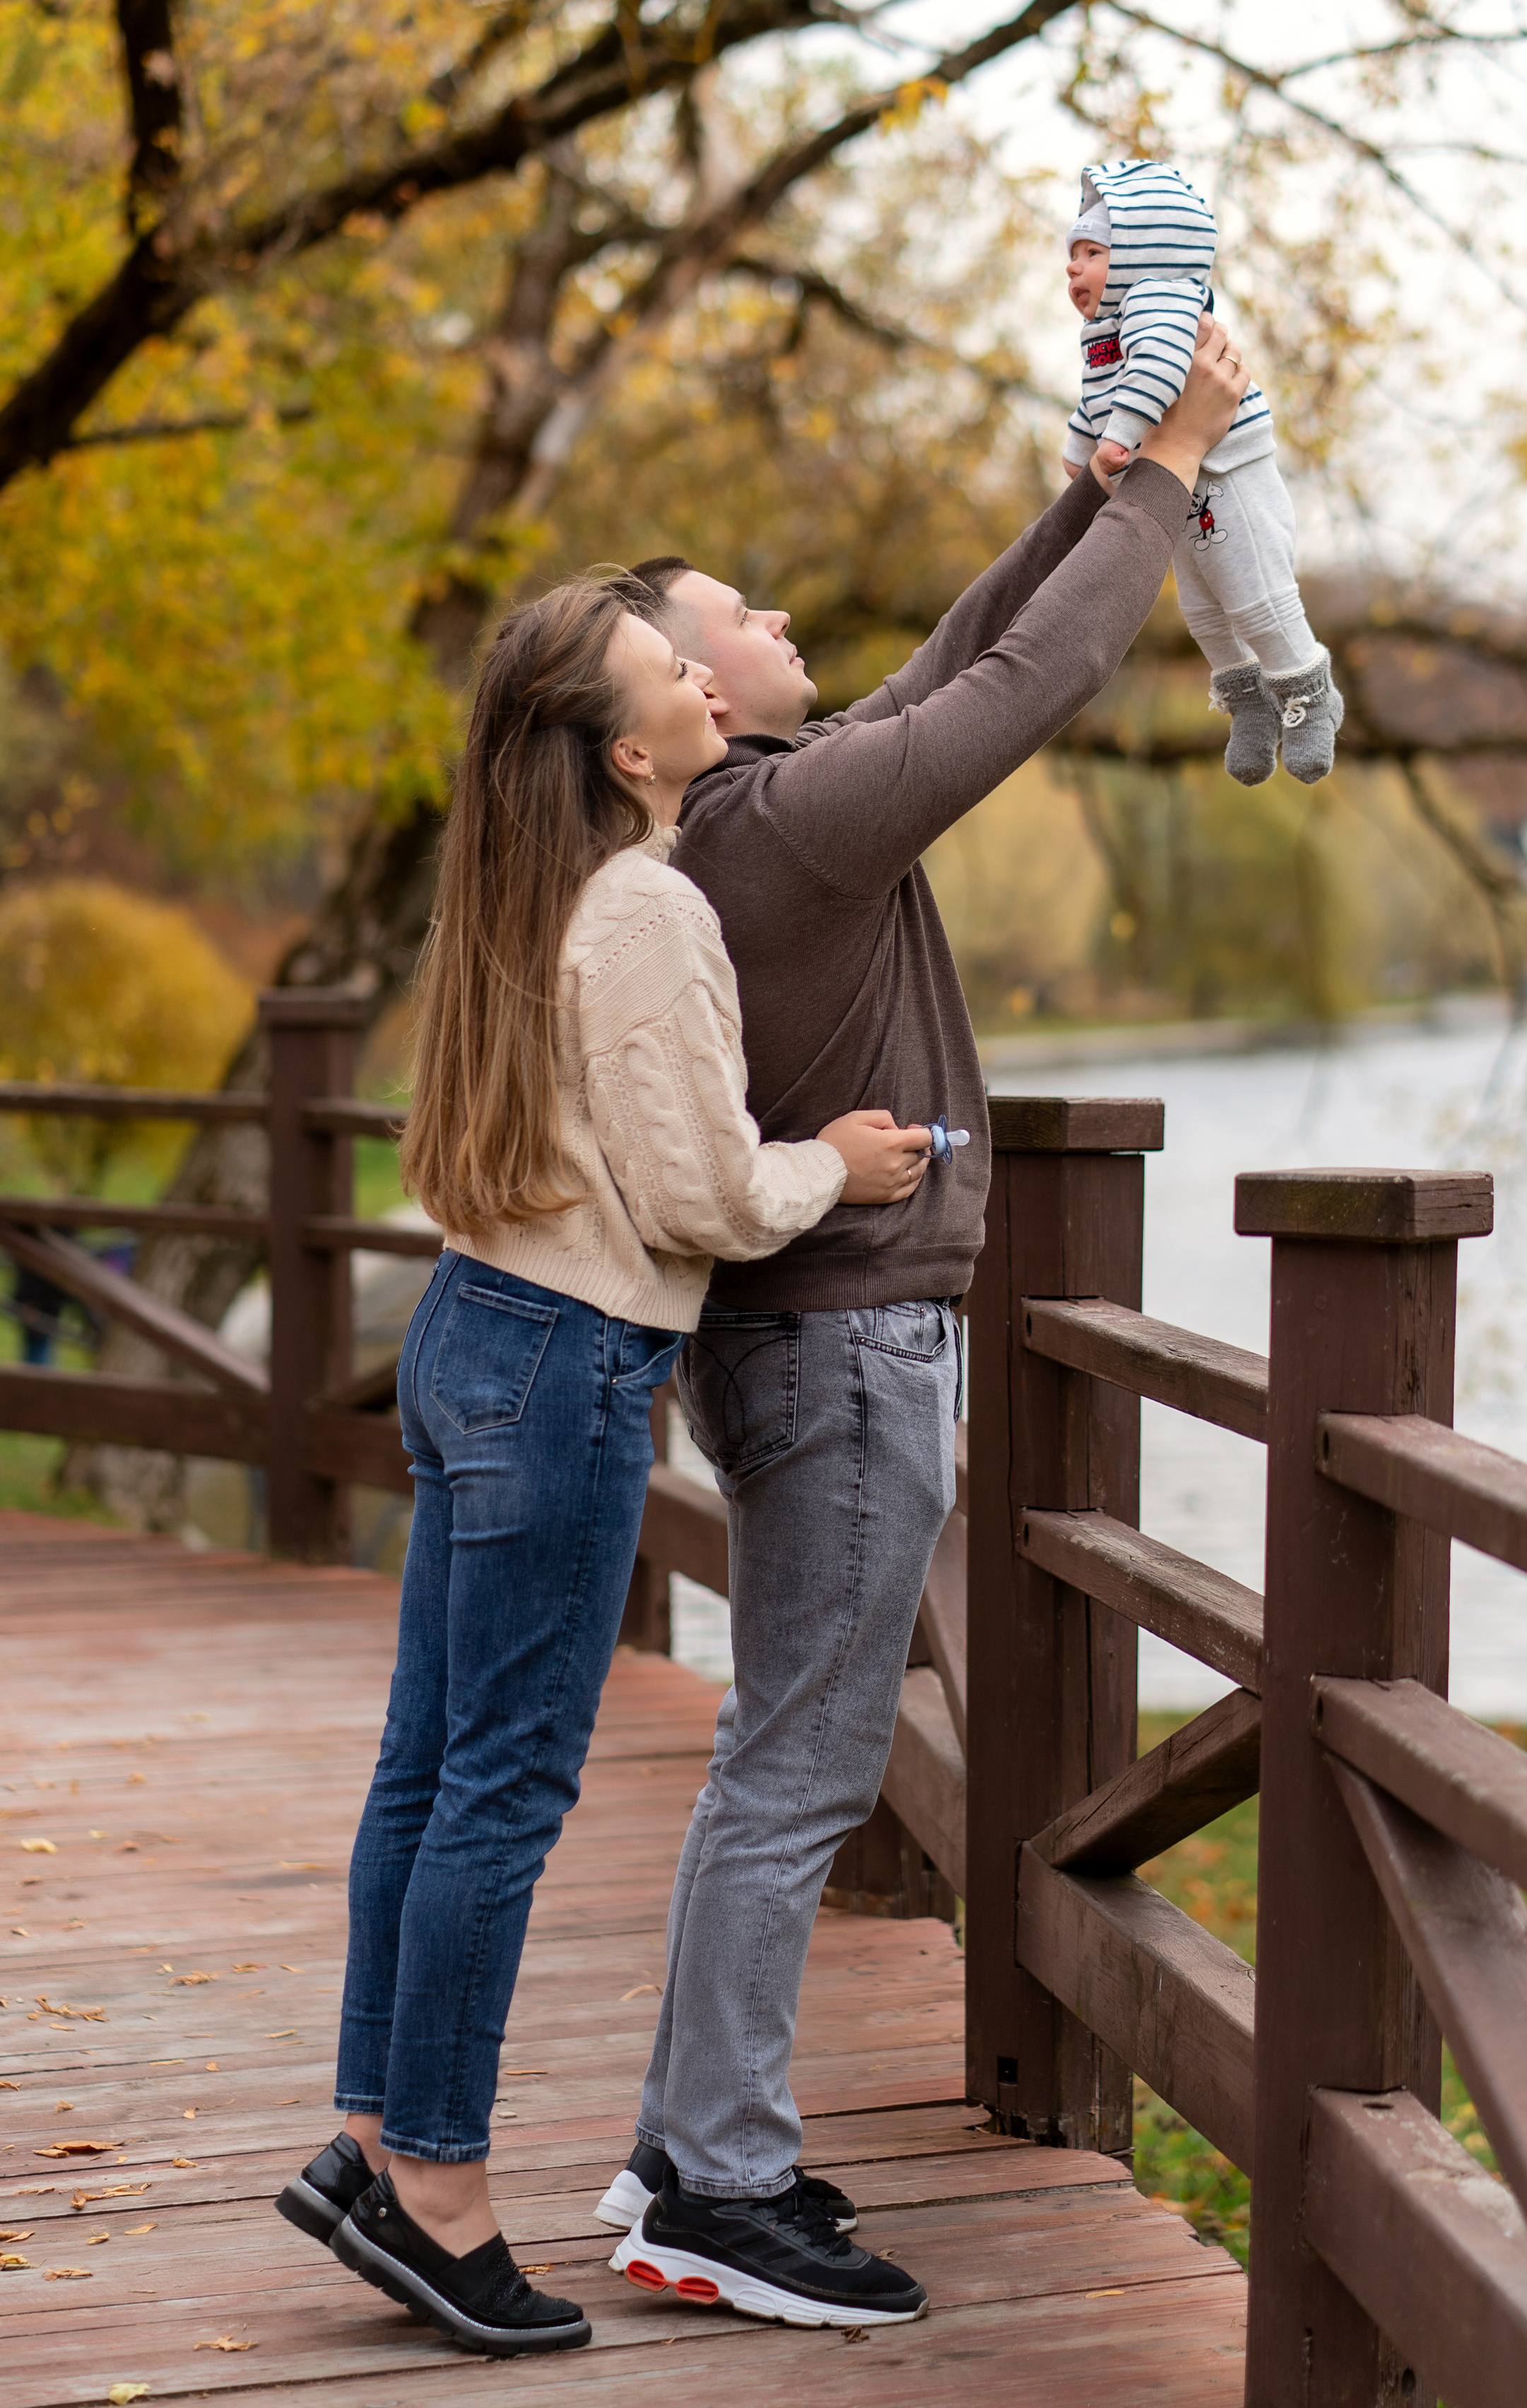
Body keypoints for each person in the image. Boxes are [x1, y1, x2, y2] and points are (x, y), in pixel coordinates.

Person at [600, 313, 1254, 2331]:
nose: (785, 617)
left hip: (813, 1350)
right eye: (748, 611)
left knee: (782, 1759)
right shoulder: (786, 832)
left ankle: (689, 2147)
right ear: (698, 684)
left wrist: (1087, 493)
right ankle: (716, 2178)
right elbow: (1032, 690)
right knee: (802, 1770)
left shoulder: (763, 806)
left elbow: (967, 659)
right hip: (848, 1352)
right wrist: (1176, 465)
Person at [273, 577, 931, 2359]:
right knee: (496, 1790)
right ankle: (441, 2191)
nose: (703, 679)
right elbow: (701, 1193)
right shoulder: (639, 904)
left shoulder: (514, 889)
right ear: (627, 749)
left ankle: (367, 2136)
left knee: (427, 1772)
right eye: (667, 673)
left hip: (471, 1328)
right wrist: (838, 1169)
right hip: (561, 1358)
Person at [1060, 155, 1343, 788]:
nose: (1073, 268)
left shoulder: (1159, 299)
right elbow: (1096, 397)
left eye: (1091, 251)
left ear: (1141, 252)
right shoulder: (1104, 332)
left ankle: (1308, 691)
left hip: (1227, 469)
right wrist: (1081, 447)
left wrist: (1115, 441)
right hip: (1179, 477)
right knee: (1205, 610)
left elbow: (1156, 375)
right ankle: (1252, 706)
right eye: (1071, 255)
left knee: (1256, 594)